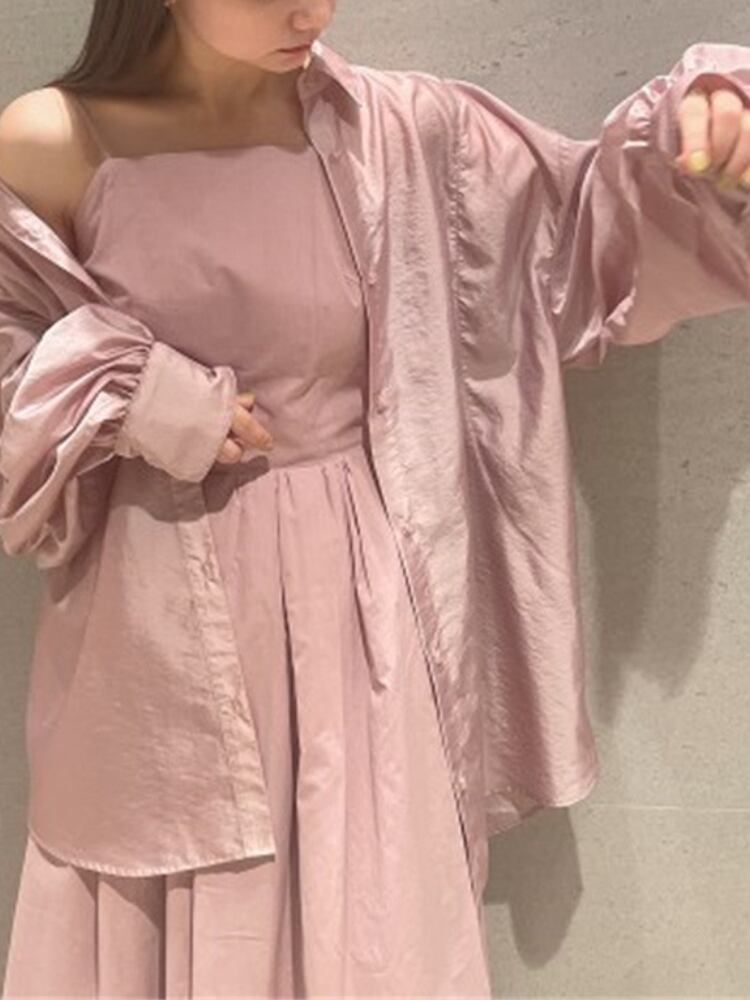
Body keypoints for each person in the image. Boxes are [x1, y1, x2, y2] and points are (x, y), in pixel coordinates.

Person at [2, 3, 750, 998]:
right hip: (154, 655)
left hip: (362, 635)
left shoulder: (400, 137)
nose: (312, 10)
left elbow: (576, 238)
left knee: (373, 928)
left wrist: (706, 128)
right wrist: (139, 396)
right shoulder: (57, 142)